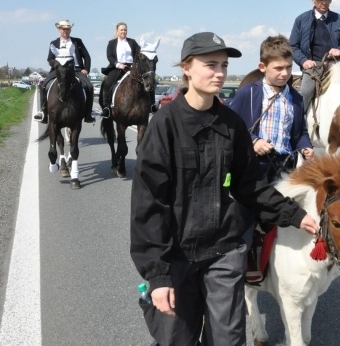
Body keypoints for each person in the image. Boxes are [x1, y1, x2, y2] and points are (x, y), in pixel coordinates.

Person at [130, 31, 319, 346]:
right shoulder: (164, 126)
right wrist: (158, 276)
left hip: (224, 251)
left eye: (223, 65)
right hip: (178, 256)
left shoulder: (231, 125)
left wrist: (294, 214)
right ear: (187, 67)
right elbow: (148, 205)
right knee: (178, 339)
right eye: (210, 64)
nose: (219, 72)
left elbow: (250, 186)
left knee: (228, 340)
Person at [229, 34, 314, 185]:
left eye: (289, 67)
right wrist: (254, 141)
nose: (285, 73)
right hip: (254, 167)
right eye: (278, 68)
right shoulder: (248, 92)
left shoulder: (297, 99)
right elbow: (230, 126)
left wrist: (305, 146)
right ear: (262, 67)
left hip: (286, 169)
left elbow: (301, 132)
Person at [288, 0, 340, 114]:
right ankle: (300, 124)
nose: (324, 2)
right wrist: (304, 61)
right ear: (313, 0)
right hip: (313, 66)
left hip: (335, 64)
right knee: (305, 91)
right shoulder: (301, 20)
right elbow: (292, 45)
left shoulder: (339, 19)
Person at [33, 19, 96, 124]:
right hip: (59, 70)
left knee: (89, 87)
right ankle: (43, 112)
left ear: (70, 30)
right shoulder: (54, 43)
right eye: (63, 29)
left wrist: (86, 69)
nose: (65, 31)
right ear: (59, 30)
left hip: (76, 70)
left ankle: (88, 114)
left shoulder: (77, 41)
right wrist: (57, 65)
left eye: (67, 29)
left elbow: (87, 56)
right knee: (44, 85)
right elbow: (50, 59)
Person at [98, 22, 141, 118]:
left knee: (146, 82)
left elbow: (139, 54)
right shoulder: (111, 43)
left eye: (125, 30)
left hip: (131, 68)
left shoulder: (132, 42)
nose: (124, 31)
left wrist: (135, 65)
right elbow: (109, 56)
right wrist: (118, 64)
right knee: (107, 84)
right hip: (117, 68)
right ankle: (106, 108)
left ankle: (151, 105)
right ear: (117, 31)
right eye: (121, 30)